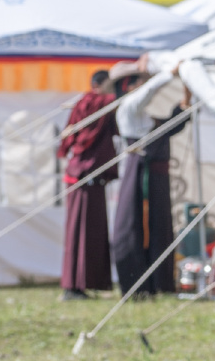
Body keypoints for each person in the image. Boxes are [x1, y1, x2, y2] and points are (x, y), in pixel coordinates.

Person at [109, 59, 193, 297]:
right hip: (141, 175)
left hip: (153, 176)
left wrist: (183, 106)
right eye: (140, 82)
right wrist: (168, 73)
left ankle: (158, 282)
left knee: (158, 226)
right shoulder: (129, 108)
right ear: (130, 85)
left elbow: (165, 128)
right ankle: (140, 283)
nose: (144, 85)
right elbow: (147, 93)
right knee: (137, 225)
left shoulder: (140, 116)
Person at [58, 69, 119, 301]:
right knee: (80, 232)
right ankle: (74, 285)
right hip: (85, 174)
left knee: (89, 231)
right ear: (102, 84)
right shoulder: (97, 102)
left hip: (85, 173)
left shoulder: (84, 102)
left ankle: (85, 283)